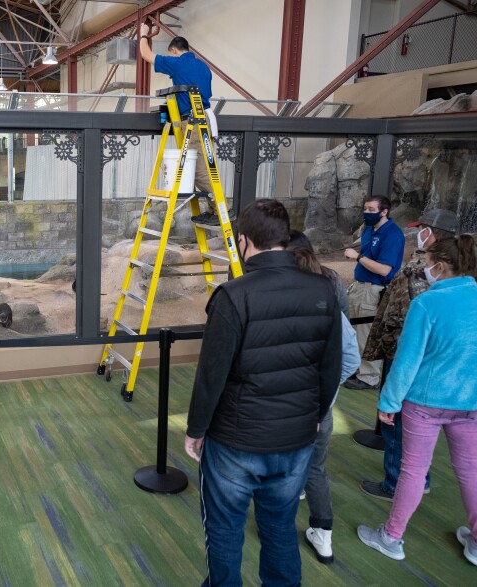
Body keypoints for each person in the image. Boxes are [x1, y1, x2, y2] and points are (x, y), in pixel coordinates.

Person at [184, 199, 342, 585]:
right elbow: (330, 367)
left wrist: (196, 429)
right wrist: (315, 418)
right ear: (284, 239)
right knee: (280, 527)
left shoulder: (233, 296)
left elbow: (211, 376)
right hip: (296, 438)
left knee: (224, 531)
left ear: (243, 241)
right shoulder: (324, 289)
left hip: (237, 440)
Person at [357, 235, 477, 567]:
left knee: (412, 471)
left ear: (440, 266)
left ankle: (391, 537)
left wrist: (389, 402)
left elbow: (407, 360)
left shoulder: (427, 304)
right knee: (471, 471)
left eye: (427, 262)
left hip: (425, 403)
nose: (424, 267)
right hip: (473, 404)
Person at [358, 208, 458, 501]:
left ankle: (395, 483)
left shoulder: (428, 272)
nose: (418, 234)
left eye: (422, 229)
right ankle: (419, 477)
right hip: (429, 357)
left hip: (408, 353)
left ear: (433, 232)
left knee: (397, 422)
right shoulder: (453, 268)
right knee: (416, 424)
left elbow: (406, 312)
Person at [286, 235, 360, 564]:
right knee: (315, 469)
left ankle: (277, 525)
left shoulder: (283, 300)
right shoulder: (330, 296)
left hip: (288, 406)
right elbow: (349, 357)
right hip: (319, 407)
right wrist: (327, 390)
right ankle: (323, 535)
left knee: (281, 468)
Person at [139, 24, 226, 225]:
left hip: (193, 121)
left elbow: (146, 54)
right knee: (205, 165)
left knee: (197, 168)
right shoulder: (203, 66)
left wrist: (143, 33)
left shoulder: (177, 63)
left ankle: (220, 209)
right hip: (205, 118)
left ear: (174, 51)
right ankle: (216, 209)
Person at [343, 195, 405, 390]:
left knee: (366, 333)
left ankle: (368, 376)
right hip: (359, 286)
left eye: (371, 209)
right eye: (365, 209)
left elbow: (385, 270)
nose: (366, 213)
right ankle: (355, 369)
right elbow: (368, 245)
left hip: (374, 288)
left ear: (384, 211)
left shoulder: (392, 234)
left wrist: (358, 257)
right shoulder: (370, 229)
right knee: (352, 330)